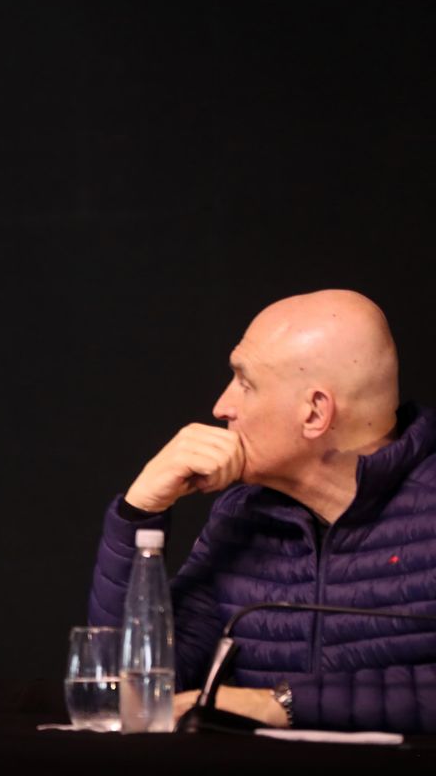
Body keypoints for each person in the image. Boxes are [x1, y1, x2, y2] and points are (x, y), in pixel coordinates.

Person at [88, 289, 436, 733]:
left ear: (315, 412)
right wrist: (139, 513)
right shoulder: (242, 516)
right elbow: (133, 691)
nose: (222, 407)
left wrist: (277, 704)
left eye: (245, 383)